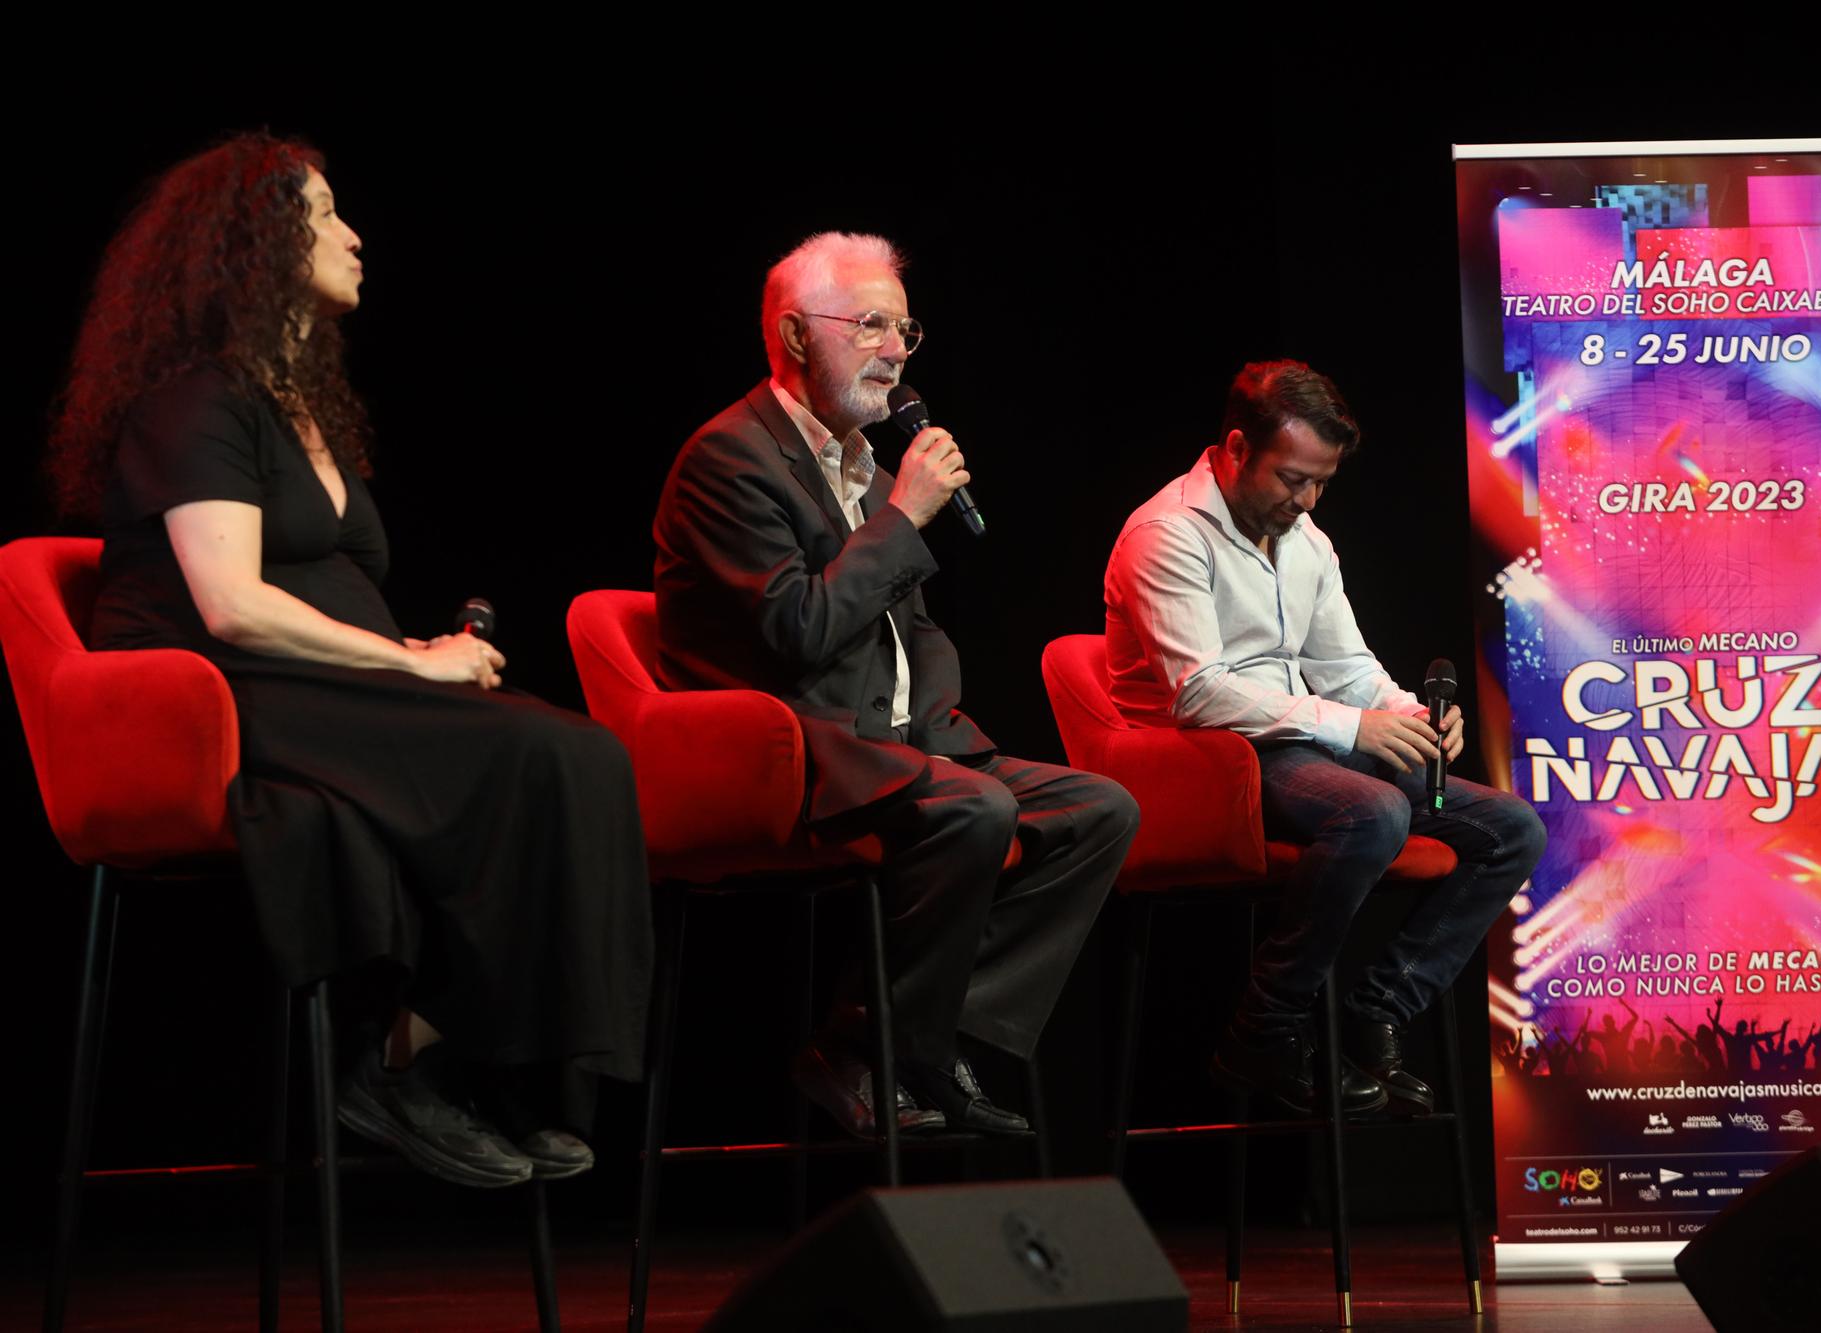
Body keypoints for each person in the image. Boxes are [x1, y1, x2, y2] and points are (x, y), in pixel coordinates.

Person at [47, 133, 652, 1187]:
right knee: (544, 759)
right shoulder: (192, 402)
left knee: (577, 755)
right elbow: (231, 605)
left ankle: (473, 1061)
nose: (353, 235)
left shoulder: (304, 408)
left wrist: (411, 650)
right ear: (257, 243)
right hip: (216, 693)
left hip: (321, 679)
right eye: (325, 214)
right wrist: (408, 669)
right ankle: (415, 1060)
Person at [652, 232, 1138, 1138]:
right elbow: (796, 632)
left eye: (905, 331)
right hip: (795, 751)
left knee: (1097, 810)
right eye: (870, 325)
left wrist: (933, 716)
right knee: (974, 811)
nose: (894, 352)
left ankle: (922, 1038)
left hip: (900, 744)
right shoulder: (729, 461)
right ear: (797, 336)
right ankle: (870, 1046)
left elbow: (913, 633)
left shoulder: (868, 471)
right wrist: (906, 516)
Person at [1103, 359, 1545, 1116]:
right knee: (1372, 811)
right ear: (1237, 449)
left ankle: (1377, 1009)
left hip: (1296, 746)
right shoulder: (1165, 534)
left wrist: (1410, 718)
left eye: (1320, 483)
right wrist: (1351, 725)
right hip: (1206, 766)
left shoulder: (1306, 540)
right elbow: (1200, 694)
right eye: (1291, 479)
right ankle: (1264, 1028)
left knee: (1511, 828)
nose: (1305, 500)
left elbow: (1343, 666)